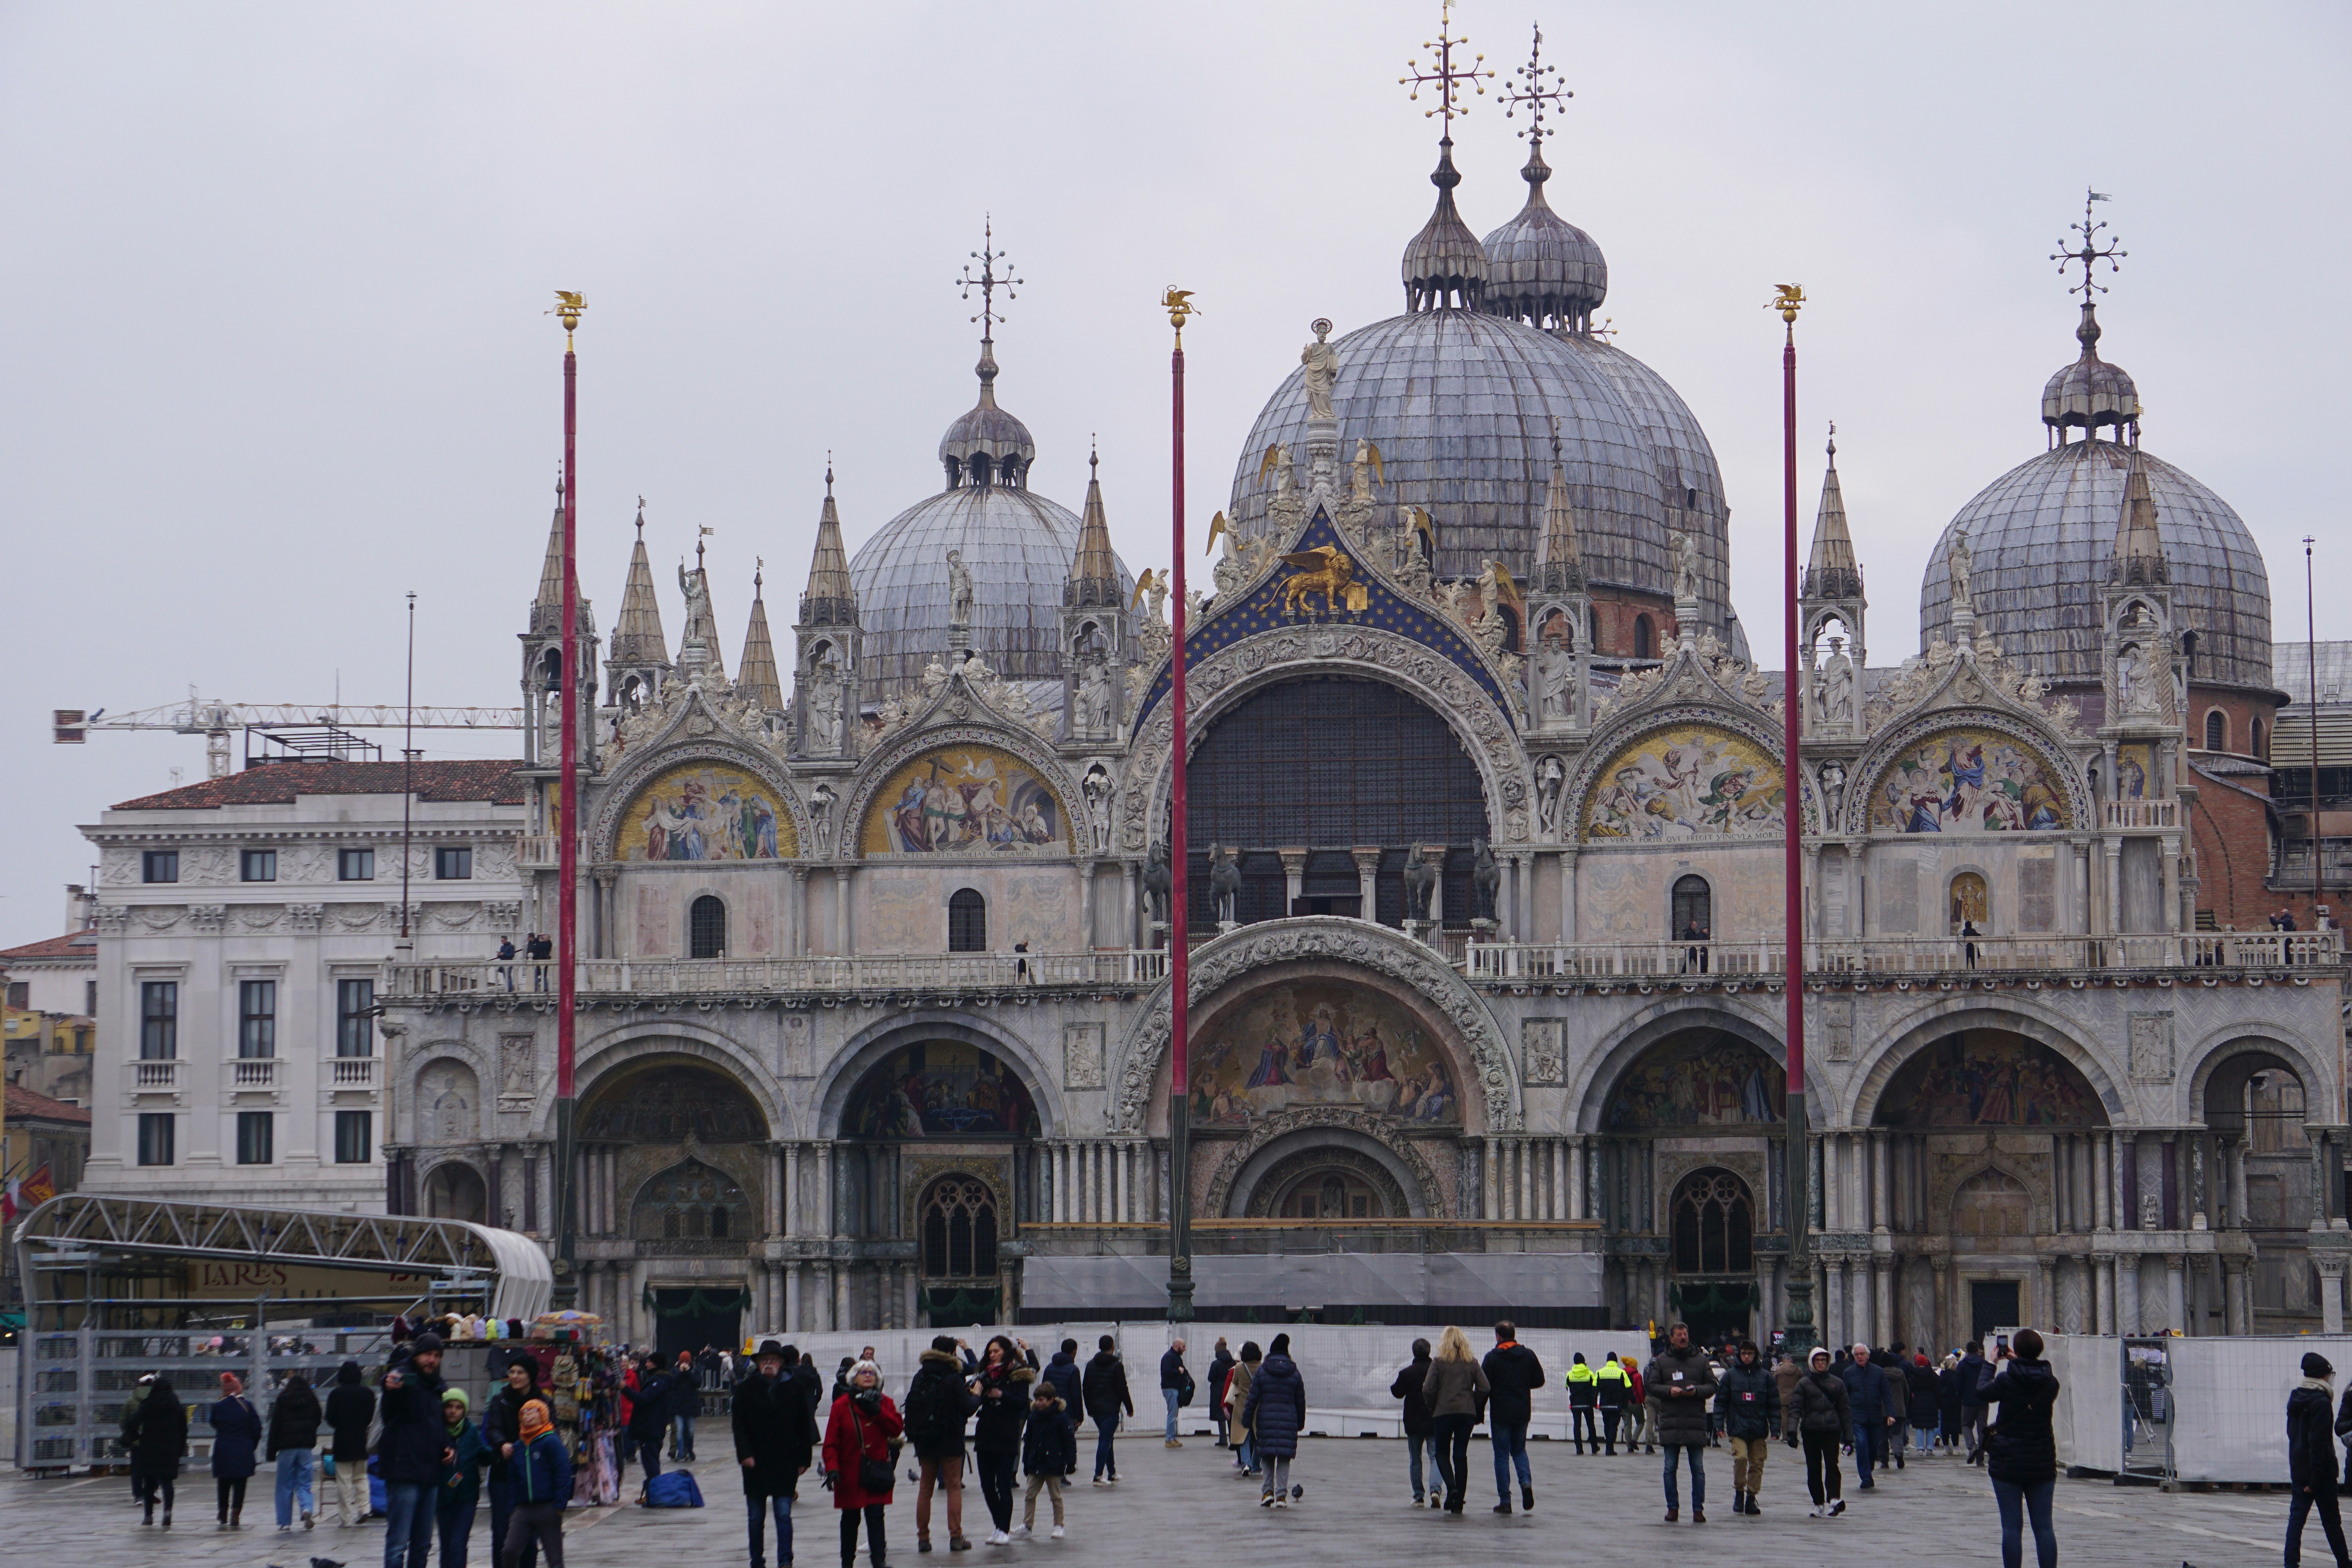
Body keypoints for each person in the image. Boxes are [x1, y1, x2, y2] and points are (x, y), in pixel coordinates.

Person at [735, 1339, 820, 1568]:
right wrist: (744, 1454)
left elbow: (804, 1425)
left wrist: (804, 1458)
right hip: (755, 1461)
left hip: (785, 1460)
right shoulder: (746, 1389)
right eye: (765, 1360)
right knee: (755, 1518)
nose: (769, 1364)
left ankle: (785, 1560)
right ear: (759, 1363)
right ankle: (757, 1559)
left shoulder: (795, 1388)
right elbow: (739, 1426)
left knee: (783, 1514)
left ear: (782, 1363)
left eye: (773, 1360)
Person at [1981, 1329, 2060, 1568]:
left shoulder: (2007, 1380)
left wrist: (1991, 1363)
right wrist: (2021, 1362)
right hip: (2042, 1460)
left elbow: (1982, 1392)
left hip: (2008, 1460)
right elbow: (2030, 1381)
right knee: (2044, 1526)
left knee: (2012, 1527)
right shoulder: (2051, 1382)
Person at [381, 1332, 454, 1568]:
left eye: (436, 1356)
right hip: (404, 1471)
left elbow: (438, 1426)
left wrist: (448, 1447)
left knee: (423, 1545)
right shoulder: (406, 1377)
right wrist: (390, 1385)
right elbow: (393, 1388)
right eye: (427, 1355)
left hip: (430, 1473)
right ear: (417, 1355)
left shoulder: (438, 1388)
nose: (431, 1360)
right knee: (398, 1544)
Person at [823, 1359, 902, 1568]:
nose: (868, 1376)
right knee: (850, 1520)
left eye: (872, 1373)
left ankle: (879, 1561)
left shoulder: (885, 1402)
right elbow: (831, 1442)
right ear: (854, 1378)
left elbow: (896, 1429)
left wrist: (878, 1412)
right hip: (850, 1473)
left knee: (876, 1517)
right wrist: (832, 1468)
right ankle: (847, 1562)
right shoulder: (841, 1405)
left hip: (876, 1471)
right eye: (863, 1372)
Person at [902, 1334, 976, 1553]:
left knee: (925, 1488)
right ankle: (956, 1537)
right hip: (950, 1438)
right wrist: (977, 1394)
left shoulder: (920, 1375)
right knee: (953, 1486)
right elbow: (967, 1408)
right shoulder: (953, 1377)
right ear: (953, 1353)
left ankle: (923, 1539)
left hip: (925, 1439)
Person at [1644, 1323, 1718, 1524]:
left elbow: (1713, 1385)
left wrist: (1697, 1392)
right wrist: (1669, 1391)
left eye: (1686, 1334)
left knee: (1698, 1469)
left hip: (1695, 1420)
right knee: (1670, 1468)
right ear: (1671, 1338)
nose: (1683, 1338)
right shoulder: (1662, 1361)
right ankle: (1673, 1508)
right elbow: (1652, 1385)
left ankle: (1698, 1509)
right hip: (1671, 1421)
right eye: (1679, 1335)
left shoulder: (1701, 1360)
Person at [971, 1335, 1034, 1544]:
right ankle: (998, 1526)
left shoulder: (1019, 1373)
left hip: (1006, 1433)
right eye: (990, 1352)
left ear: (1006, 1352)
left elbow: (1022, 1403)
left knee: (1003, 1485)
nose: (992, 1355)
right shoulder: (985, 1374)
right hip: (986, 1433)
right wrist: (975, 1393)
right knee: (987, 1485)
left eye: (996, 1351)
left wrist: (1001, 1395)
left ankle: (1004, 1530)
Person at [1420, 1325, 1490, 1515]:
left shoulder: (1439, 1362)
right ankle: (1458, 1503)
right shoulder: (1473, 1362)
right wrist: (1472, 1403)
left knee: (1442, 1453)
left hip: (1443, 1413)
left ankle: (1452, 1489)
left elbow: (1427, 1388)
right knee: (1460, 1454)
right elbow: (1485, 1387)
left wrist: (1433, 1405)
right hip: (1466, 1414)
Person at [481, 1358, 543, 1568]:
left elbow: (550, 1432)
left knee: (529, 1534)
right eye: (512, 1372)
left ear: (530, 1376)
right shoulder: (500, 1400)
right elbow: (492, 1429)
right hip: (503, 1473)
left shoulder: (542, 1402)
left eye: (520, 1372)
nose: (514, 1376)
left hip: (531, 1476)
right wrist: (502, 1445)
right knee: (501, 1532)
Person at [1481, 1320, 1543, 1514]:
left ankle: (1505, 1501)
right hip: (1522, 1411)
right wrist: (1523, 1386)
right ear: (1514, 1334)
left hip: (1500, 1412)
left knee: (1501, 1455)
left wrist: (1477, 1411)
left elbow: (1484, 1386)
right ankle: (1526, 1484)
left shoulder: (1492, 1358)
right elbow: (1540, 1380)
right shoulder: (1528, 1355)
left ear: (1498, 1336)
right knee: (1519, 1450)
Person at [503, 1398, 571, 1568]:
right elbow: (512, 1479)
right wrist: (512, 1507)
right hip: (523, 1508)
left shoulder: (551, 1441)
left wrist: (560, 1504)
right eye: (524, 1412)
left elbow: (563, 1472)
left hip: (548, 1507)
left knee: (554, 1559)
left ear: (543, 1415)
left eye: (533, 1411)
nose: (528, 1415)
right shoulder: (518, 1447)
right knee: (510, 1551)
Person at [1713, 1340, 1779, 1517]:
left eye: (1750, 1353)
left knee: (1758, 1463)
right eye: (1744, 1354)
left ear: (1755, 1355)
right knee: (1741, 1458)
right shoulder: (1730, 1376)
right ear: (1739, 1355)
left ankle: (1752, 1496)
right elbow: (1721, 1402)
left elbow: (1773, 1404)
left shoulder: (1765, 1377)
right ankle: (1739, 1492)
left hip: (1758, 1427)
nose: (1747, 1357)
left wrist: (1775, 1427)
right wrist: (1719, 1424)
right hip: (1738, 1426)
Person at [1243, 1332, 1306, 1508]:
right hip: (1289, 1421)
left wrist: (1247, 1419)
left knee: (1268, 1458)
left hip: (1266, 1421)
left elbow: (1253, 1398)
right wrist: (1300, 1423)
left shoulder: (1263, 1371)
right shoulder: (1294, 1372)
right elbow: (1301, 1401)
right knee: (1284, 1459)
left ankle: (1267, 1493)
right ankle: (1282, 1497)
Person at [1787, 1347, 1851, 1518]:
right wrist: (1791, 1432)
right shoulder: (1804, 1383)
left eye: (1823, 1360)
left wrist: (1849, 1438)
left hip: (1831, 1430)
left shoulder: (1837, 1383)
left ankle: (1834, 1500)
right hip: (1811, 1431)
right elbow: (1795, 1409)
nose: (1821, 1363)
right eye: (1818, 1360)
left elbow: (1845, 1410)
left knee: (1832, 1465)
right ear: (1812, 1362)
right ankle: (1818, 1503)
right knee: (1814, 1468)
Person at [125, 1372, 188, 1528]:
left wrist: (136, 1436)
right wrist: (180, 1448)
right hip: (170, 1447)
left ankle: (148, 1516)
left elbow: (133, 1422)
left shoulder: (148, 1404)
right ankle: (167, 1512)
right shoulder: (176, 1405)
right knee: (167, 1482)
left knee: (149, 1482)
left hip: (149, 1446)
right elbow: (184, 1429)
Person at [438, 1388, 492, 1568]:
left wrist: (498, 1450)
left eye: (459, 1407)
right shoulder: (437, 1432)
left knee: (458, 1544)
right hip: (443, 1497)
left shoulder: (471, 1432)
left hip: (466, 1497)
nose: (453, 1411)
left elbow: (484, 1455)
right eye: (450, 1406)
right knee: (446, 1545)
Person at [267, 1367, 323, 1531]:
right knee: (304, 1483)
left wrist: (271, 1452)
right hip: (305, 1448)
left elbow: (275, 1426)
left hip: (286, 1448)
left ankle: (285, 1521)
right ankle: (306, 1508)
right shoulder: (311, 1399)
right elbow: (317, 1420)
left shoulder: (283, 1399)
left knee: (284, 1485)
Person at [209, 1369, 263, 1530]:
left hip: (223, 1450)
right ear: (238, 1389)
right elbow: (257, 1429)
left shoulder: (219, 1407)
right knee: (240, 1484)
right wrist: (251, 1445)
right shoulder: (247, 1406)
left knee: (223, 1483)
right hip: (243, 1450)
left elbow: (213, 1423)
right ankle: (236, 1515)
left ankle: (223, 1512)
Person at [1020, 1379, 1074, 1539]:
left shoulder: (1061, 1418)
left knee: (1055, 1497)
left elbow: (1069, 1440)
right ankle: (1027, 1525)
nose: (1037, 1403)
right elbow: (1028, 1441)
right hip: (1036, 1463)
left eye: (1041, 1400)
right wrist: (1026, 1462)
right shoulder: (1033, 1418)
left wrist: (1070, 1462)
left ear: (1051, 1400)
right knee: (1030, 1495)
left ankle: (1059, 1525)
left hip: (1054, 1463)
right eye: (1036, 1399)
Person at [326, 1358, 377, 1527]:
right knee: (362, 1477)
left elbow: (330, 1419)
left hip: (342, 1441)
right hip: (362, 1440)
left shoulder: (336, 1394)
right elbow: (371, 1418)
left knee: (344, 1481)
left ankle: (347, 1518)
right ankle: (364, 1509)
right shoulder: (368, 1394)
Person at [1391, 1338, 1438, 1506]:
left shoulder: (1407, 1373)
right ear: (1429, 1351)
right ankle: (1436, 1490)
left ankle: (1419, 1496)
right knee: (1435, 1457)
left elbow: (1397, 1392)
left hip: (1413, 1421)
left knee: (1416, 1460)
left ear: (1414, 1353)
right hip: (1434, 1419)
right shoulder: (1437, 1371)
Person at [1081, 1334, 1132, 1485]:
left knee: (1108, 1438)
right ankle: (1098, 1475)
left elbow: (1086, 1388)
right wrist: (1129, 1408)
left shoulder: (1091, 1365)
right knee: (1105, 1440)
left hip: (1096, 1410)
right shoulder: (1117, 1366)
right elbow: (1122, 1388)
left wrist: (1089, 1407)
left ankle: (1112, 1472)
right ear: (1113, 1347)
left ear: (1099, 1347)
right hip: (1111, 1409)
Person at [1842, 1343, 1891, 1488]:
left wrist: (1890, 1414)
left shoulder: (1878, 1372)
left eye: (1862, 1354)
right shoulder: (1849, 1373)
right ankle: (1866, 1477)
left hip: (1875, 1416)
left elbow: (1886, 1394)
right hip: (1857, 1416)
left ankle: (1868, 1468)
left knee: (1873, 1447)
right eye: (1857, 1355)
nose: (1859, 1357)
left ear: (1867, 1355)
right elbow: (1844, 1396)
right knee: (1862, 1444)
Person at [627, 1353, 675, 1485]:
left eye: (649, 1362)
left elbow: (643, 1399)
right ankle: (653, 1491)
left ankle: (655, 1492)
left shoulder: (659, 1382)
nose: (646, 1364)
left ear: (656, 1364)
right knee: (649, 1462)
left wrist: (625, 1389)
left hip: (651, 1429)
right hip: (651, 1428)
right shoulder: (656, 1379)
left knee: (651, 1463)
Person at [1225, 1341, 1261, 1479]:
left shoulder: (1239, 1368)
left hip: (1242, 1405)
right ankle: (1257, 1465)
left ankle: (1246, 1463)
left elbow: (1235, 1384)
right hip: (1258, 1405)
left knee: (1243, 1436)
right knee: (1259, 1436)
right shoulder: (1262, 1368)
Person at [1956, 1340, 1991, 1464]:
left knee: (1966, 1424)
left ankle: (1972, 1446)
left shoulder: (1962, 1364)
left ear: (1967, 1351)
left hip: (1968, 1400)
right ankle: (1981, 1458)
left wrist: (1959, 1396)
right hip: (1983, 1399)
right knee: (1983, 1428)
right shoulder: (1985, 1363)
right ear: (1978, 1350)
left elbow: (1959, 1383)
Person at [1880, 1343, 1909, 1469]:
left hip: (1882, 1410)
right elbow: (1906, 1392)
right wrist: (1904, 1405)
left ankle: (1884, 1461)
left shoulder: (1879, 1374)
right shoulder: (1900, 1373)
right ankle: (1898, 1454)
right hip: (1899, 1409)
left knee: (1883, 1436)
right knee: (1897, 1434)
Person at [1565, 1352, 1599, 1455]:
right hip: (1587, 1404)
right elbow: (1594, 1388)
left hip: (1575, 1403)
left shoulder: (1570, 1374)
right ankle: (1594, 1447)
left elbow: (1567, 1387)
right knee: (1591, 1425)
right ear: (1584, 1361)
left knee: (1577, 1425)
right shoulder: (1590, 1374)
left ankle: (1579, 1449)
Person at [1907, 1354, 1941, 1456]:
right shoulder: (1932, 1374)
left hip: (1918, 1402)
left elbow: (1910, 1388)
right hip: (1931, 1402)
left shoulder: (1914, 1375)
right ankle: (1930, 1449)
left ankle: (1920, 1449)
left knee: (1919, 1427)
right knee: (1931, 1426)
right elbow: (1937, 1389)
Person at [1159, 1337, 1190, 1448]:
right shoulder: (1169, 1357)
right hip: (1170, 1389)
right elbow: (1166, 1371)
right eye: (1183, 1347)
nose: (1185, 1349)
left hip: (1174, 1389)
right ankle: (1169, 1439)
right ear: (1177, 1346)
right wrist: (1179, 1371)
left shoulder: (1175, 1357)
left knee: (1174, 1413)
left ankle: (1172, 1437)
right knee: (1172, 1414)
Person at [673, 1348, 703, 1462]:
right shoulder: (675, 1370)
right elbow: (673, 1384)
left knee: (691, 1430)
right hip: (678, 1405)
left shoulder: (695, 1371)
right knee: (679, 1429)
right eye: (683, 1361)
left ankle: (689, 1450)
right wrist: (681, 1373)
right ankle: (681, 1453)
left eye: (686, 1361)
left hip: (691, 1405)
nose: (684, 1363)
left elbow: (697, 1383)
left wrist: (689, 1372)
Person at [1208, 1338, 1237, 1450]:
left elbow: (1211, 1378)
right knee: (1230, 1413)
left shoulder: (1216, 1364)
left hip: (1217, 1390)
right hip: (1231, 1389)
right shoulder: (1233, 1363)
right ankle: (1233, 1439)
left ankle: (1223, 1439)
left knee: (1221, 1415)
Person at [1626, 1355, 1656, 1454]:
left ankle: (1629, 1446)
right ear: (1634, 1366)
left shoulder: (1622, 1374)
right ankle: (1634, 1441)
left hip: (1625, 1403)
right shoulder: (1637, 1376)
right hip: (1636, 1402)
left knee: (1627, 1424)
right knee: (1641, 1422)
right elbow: (1640, 1390)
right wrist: (1643, 1402)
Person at [1771, 1348, 1803, 1441]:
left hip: (1782, 1397)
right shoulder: (1798, 1370)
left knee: (1784, 1417)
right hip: (1795, 1397)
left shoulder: (1779, 1370)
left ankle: (1785, 1436)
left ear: (1784, 1360)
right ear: (1792, 1361)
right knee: (1794, 1417)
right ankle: (1793, 1435)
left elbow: (1775, 1383)